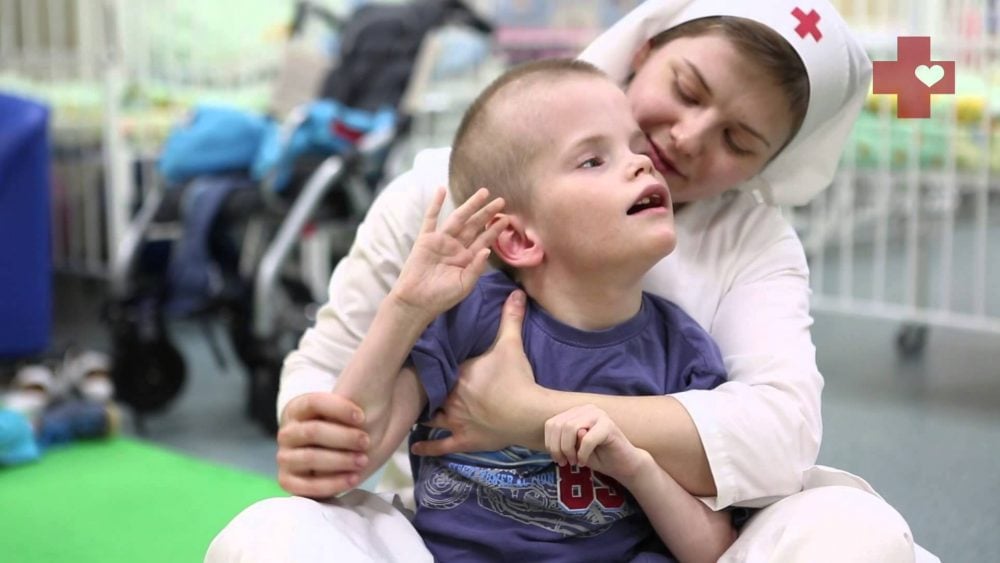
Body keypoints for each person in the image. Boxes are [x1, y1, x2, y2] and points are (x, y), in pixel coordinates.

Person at [210, 1, 938, 561]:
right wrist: (316, 424)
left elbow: (779, 435)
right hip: (456, 537)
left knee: (860, 532)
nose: (682, 139)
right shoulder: (452, 195)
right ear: (645, 50)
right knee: (271, 533)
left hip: (640, 539)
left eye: (738, 140)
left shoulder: (740, 257)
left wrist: (524, 410)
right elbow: (340, 378)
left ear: (764, 166)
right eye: (685, 89)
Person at [329, 58, 736, 562]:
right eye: (593, 160)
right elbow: (347, 457)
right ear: (519, 239)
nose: (643, 163)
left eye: (635, 147)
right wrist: (406, 308)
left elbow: (714, 549)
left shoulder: (684, 351)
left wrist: (638, 467)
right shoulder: (469, 319)